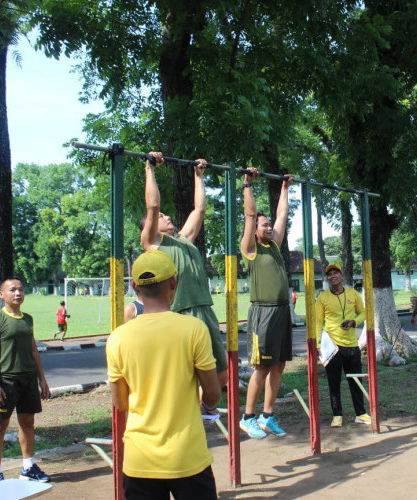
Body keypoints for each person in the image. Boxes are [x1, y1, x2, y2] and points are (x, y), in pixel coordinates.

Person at [106, 250, 221, 499]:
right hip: (187, 455)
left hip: (140, 459)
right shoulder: (193, 329)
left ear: (135, 287)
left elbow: (121, 402)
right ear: (173, 283)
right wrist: (202, 403)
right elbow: (213, 396)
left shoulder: (118, 338)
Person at [139, 152, 227, 393]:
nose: (166, 216)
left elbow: (199, 209)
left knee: (220, 376)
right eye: (160, 217)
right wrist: (150, 169)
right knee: (187, 371)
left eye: (166, 215)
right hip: (181, 312)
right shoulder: (153, 244)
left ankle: (199, 411)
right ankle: (186, 412)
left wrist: (198, 176)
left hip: (204, 309)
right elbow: (153, 205)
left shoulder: (184, 240)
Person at [239, 167, 294, 439]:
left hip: (283, 311)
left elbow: (282, 214)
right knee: (262, 367)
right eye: (264, 225)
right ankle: (248, 417)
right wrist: (247, 184)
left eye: (268, 224)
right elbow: (250, 215)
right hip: (263, 313)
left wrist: (284, 188)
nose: (269, 226)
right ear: (254, 231)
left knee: (279, 364)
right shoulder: (250, 249)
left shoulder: (274, 244)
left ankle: (267, 415)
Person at [0, 277, 51, 484]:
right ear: (2, 294)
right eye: (12, 290)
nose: (18, 293)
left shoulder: (27, 319)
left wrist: (42, 379)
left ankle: (28, 467)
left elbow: (33, 350)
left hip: (28, 380)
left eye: (21, 290)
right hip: (6, 382)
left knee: (28, 423)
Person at [315, 264, 370, 427]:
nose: (333, 276)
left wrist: (355, 322)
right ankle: (337, 415)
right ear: (327, 278)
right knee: (334, 382)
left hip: (352, 345)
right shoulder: (323, 297)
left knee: (356, 380)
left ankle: (360, 413)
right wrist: (317, 343)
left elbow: (363, 312)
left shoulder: (353, 293)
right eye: (329, 274)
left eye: (335, 273)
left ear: (342, 275)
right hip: (332, 346)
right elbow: (318, 321)